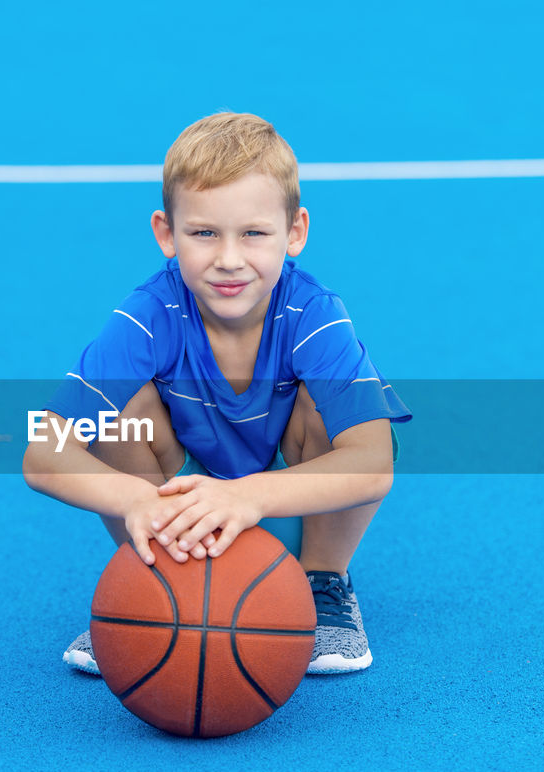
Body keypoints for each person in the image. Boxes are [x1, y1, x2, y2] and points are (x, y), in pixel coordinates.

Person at [23, 112, 410, 675]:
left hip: (290, 497)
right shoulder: (148, 316)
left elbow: (374, 464)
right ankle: (151, 581)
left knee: (343, 412)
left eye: (254, 233)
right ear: (166, 234)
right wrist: (137, 501)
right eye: (204, 233)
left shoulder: (315, 315)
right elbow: (42, 451)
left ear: (295, 232)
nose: (229, 259)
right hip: (179, 503)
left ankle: (322, 582)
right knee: (117, 418)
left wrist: (248, 496)